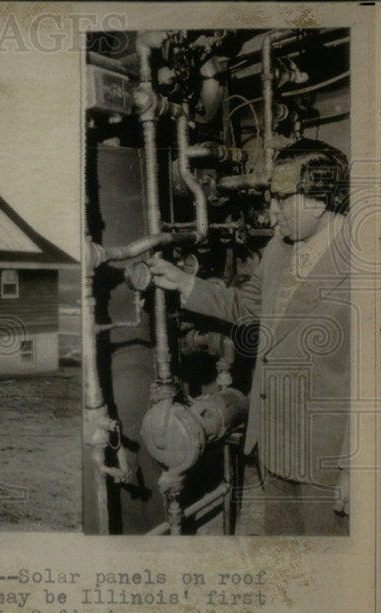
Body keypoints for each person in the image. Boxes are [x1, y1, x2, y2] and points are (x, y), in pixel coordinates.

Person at [148, 139, 352, 535]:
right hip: (272, 445)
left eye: (281, 198)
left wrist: (355, 467)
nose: (271, 211)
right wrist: (185, 282)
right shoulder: (280, 247)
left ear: (319, 198)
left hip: (326, 462)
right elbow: (246, 307)